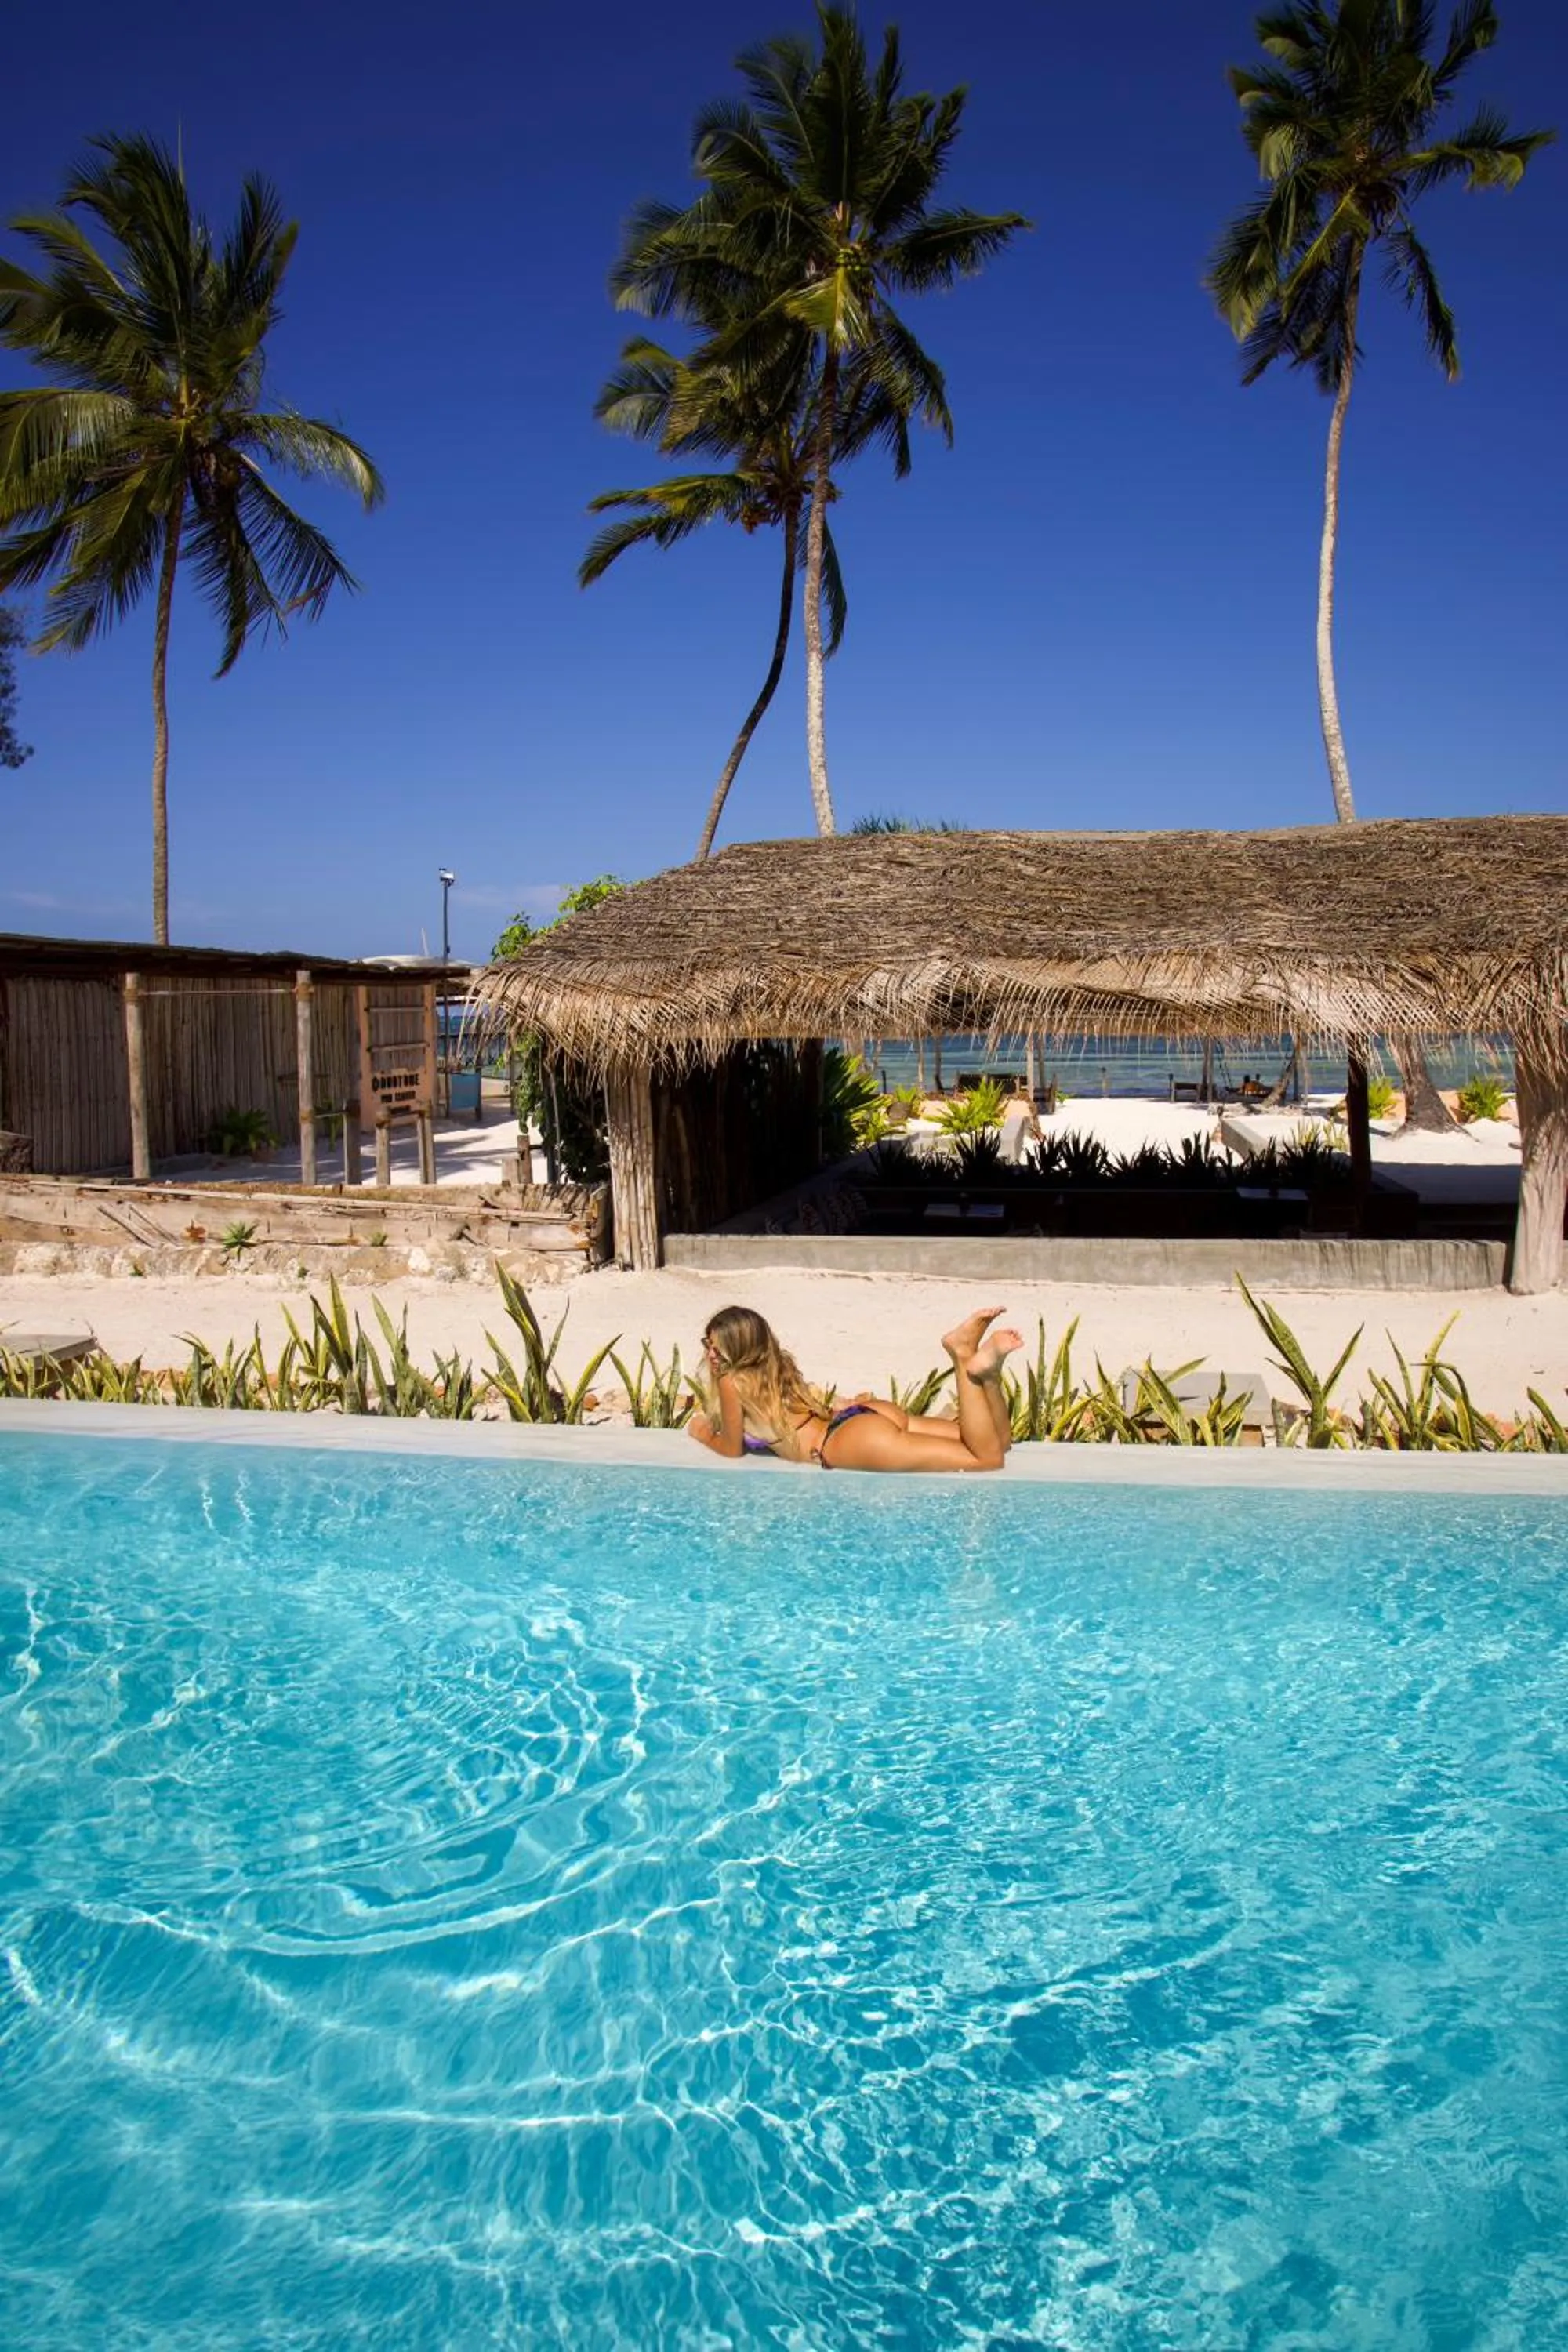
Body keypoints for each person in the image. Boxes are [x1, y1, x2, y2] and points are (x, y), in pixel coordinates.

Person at [689, 1304, 1021, 1472]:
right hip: (860, 1418)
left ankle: (962, 1354)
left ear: (738, 1350)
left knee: (985, 1459)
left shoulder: (732, 1382)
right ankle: (989, 1377)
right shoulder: (778, 1365)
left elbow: (732, 1449)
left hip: (844, 1443)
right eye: (708, 1343)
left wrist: (701, 1432)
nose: (710, 1354)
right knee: (998, 1442)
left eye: (716, 1348)